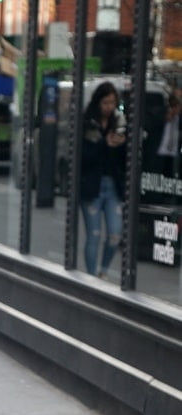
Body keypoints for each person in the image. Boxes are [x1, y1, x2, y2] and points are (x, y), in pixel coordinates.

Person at [80, 81, 126, 278]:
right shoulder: (89, 123)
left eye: (113, 103)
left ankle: (104, 271)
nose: (109, 107)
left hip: (112, 185)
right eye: (106, 102)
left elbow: (124, 160)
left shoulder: (119, 123)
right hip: (92, 186)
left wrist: (122, 143)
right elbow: (84, 156)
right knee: (94, 234)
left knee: (115, 233)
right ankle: (91, 277)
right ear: (98, 102)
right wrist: (103, 144)